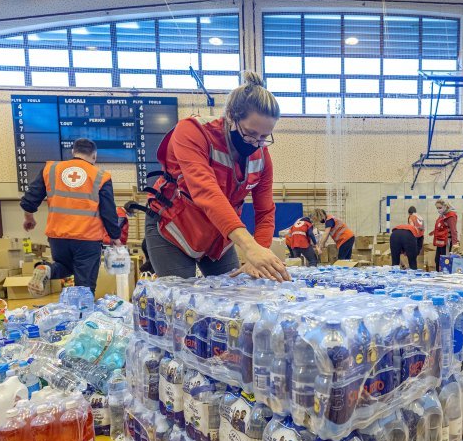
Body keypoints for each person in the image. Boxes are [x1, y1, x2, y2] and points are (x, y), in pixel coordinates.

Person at [143, 71, 289, 282]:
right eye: (250, 133)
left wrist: (259, 252)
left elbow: (265, 211)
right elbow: (206, 192)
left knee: (231, 295)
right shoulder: (193, 132)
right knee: (180, 299)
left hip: (218, 235)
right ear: (230, 115)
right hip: (174, 228)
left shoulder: (262, 157)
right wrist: (249, 246)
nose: (256, 143)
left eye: (264, 137)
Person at [20, 137, 122, 295]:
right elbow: (108, 211)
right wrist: (115, 237)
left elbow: (30, 199)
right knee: (85, 283)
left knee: (65, 267)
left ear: (73, 151)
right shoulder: (101, 176)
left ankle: (47, 269)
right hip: (87, 238)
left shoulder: (51, 169)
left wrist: (29, 218)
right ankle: (82, 317)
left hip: (57, 236)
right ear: (94, 156)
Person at [430, 200, 459, 271]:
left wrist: (455, 244)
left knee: (445, 260)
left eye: (440, 207)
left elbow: (453, 230)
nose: (438, 210)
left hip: (447, 242)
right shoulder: (442, 215)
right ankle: (438, 274)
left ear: (445, 206)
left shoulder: (451, 216)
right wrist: (434, 232)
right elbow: (442, 226)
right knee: (437, 260)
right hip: (440, 242)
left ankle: (444, 276)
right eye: (437, 208)